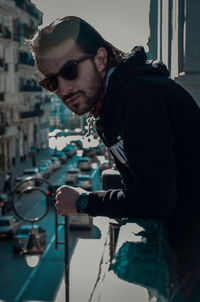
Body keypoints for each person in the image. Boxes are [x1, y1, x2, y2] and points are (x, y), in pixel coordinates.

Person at [28, 16, 200, 301]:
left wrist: (84, 201)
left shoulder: (139, 97)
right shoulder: (112, 106)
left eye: (70, 70)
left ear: (100, 58)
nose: (63, 89)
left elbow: (157, 198)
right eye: (51, 82)